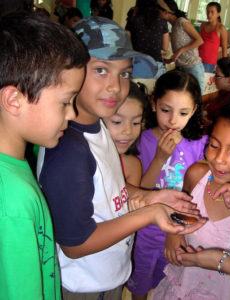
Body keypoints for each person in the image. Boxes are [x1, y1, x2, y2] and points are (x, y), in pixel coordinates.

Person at [37, 16, 206, 299]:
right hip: (83, 285)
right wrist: (148, 214)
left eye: (124, 73)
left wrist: (151, 197)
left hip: (108, 273)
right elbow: (75, 244)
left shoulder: (98, 128)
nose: (115, 86)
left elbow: (105, 191)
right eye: (101, 70)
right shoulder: (69, 149)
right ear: (68, 72)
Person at [150, 97, 230, 300]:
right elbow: (181, 213)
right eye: (214, 145)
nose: (219, 159)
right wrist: (173, 235)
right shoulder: (196, 175)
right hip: (185, 284)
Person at [0, 11, 89, 299]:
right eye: (65, 102)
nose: (72, 113)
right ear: (15, 100)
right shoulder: (12, 200)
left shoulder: (15, 165)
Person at [126, 69, 208, 300]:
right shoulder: (141, 140)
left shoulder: (200, 145)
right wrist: (160, 158)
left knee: (171, 288)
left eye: (183, 113)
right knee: (139, 287)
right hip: (145, 233)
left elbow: (201, 191)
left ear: (193, 111)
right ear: (153, 104)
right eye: (166, 110)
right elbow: (140, 192)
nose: (173, 120)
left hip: (183, 234)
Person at [104, 81, 148, 186]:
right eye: (117, 122)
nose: (128, 131)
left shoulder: (133, 166)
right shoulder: (82, 160)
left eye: (136, 122)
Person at [158, 0, 205, 94]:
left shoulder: (182, 22)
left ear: (166, 12)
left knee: (197, 97)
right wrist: (168, 60)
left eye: (159, 11)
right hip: (181, 68)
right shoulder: (173, 26)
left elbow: (200, 40)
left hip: (193, 66)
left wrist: (181, 50)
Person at [198, 2, 228, 73]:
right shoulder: (203, 25)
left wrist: (224, 66)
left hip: (209, 62)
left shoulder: (221, 28)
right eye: (207, 12)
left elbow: (224, 49)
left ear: (218, 13)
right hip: (197, 58)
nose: (209, 14)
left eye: (212, 12)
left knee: (203, 82)